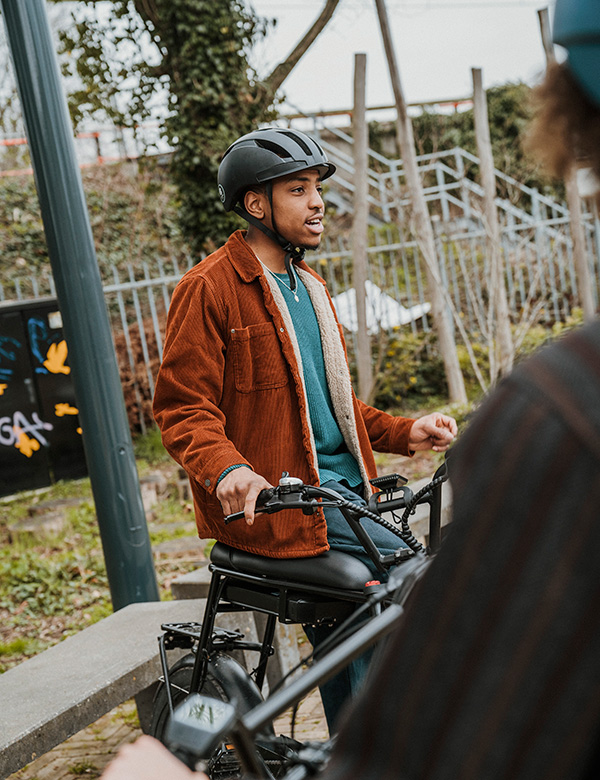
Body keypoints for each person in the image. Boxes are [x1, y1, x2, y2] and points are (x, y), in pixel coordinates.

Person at [153, 126, 456, 727]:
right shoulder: (209, 288)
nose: (317, 202)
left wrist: (404, 431)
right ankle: (381, 751)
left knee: (378, 600)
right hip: (281, 509)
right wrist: (231, 471)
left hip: (347, 497)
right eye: (299, 189)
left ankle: (348, 745)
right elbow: (182, 408)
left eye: (317, 188)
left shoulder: (311, 288)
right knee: (406, 576)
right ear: (255, 204)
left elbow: (331, 409)